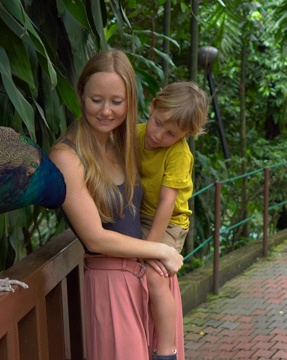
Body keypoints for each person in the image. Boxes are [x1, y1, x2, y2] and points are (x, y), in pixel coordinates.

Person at [49, 49, 184, 360]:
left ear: (131, 101)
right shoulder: (67, 157)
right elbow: (94, 237)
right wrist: (162, 250)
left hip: (150, 277)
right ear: (81, 94)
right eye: (97, 100)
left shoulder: (125, 142)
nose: (106, 111)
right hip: (112, 284)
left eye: (117, 101)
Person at [138, 82, 209, 360]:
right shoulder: (134, 134)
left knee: (156, 276)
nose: (159, 135)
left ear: (185, 135)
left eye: (171, 133)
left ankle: (166, 350)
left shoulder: (179, 154)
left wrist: (151, 247)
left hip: (169, 222)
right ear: (153, 105)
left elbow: (168, 203)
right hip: (138, 213)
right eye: (158, 124)